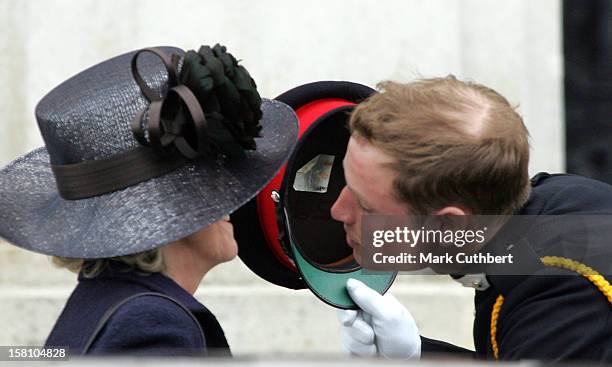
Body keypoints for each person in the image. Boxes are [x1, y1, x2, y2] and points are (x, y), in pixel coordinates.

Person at [0, 44, 298, 356]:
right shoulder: (154, 326)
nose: (231, 200)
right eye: (210, 179)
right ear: (172, 204)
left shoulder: (106, 303)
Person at [330, 76, 612, 362]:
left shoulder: (563, 294)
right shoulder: (549, 208)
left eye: (366, 206)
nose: (337, 211)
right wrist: (417, 354)